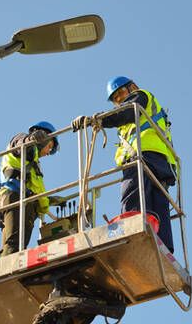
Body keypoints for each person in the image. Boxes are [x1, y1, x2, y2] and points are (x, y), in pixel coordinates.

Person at [71, 76, 177, 253]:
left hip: (144, 156)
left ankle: (131, 233)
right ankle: (165, 248)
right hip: (160, 161)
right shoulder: (134, 118)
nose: (119, 100)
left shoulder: (140, 97)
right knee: (156, 205)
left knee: (133, 194)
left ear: (132, 87)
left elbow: (127, 112)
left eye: (120, 93)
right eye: (115, 99)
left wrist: (96, 120)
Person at [0, 121, 62, 256]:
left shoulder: (34, 163)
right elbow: (20, 144)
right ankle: (10, 274)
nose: (49, 152)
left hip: (25, 202)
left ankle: (11, 269)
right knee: (14, 245)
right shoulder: (25, 145)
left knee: (19, 245)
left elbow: (36, 189)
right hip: (14, 198)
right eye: (50, 146)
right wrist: (31, 139)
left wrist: (48, 201)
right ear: (44, 138)